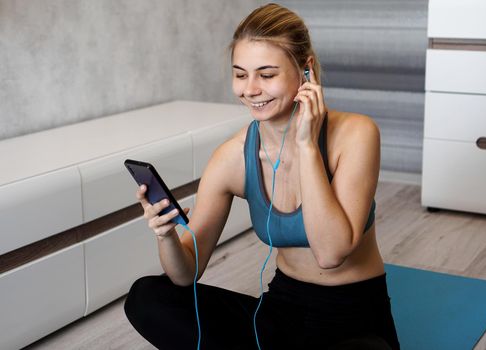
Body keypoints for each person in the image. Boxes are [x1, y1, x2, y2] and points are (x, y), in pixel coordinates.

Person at [124, 3, 400, 350]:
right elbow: (187, 273)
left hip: (355, 321)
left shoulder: (356, 134)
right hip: (280, 314)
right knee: (147, 297)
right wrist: (165, 235)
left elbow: (331, 254)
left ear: (306, 70)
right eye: (240, 74)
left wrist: (307, 146)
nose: (251, 89)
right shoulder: (232, 157)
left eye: (267, 75)